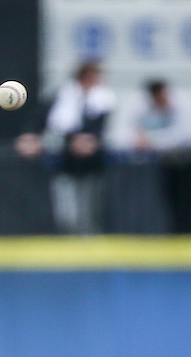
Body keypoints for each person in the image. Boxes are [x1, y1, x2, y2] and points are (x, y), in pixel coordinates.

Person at [14, 60, 116, 234]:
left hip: (92, 162)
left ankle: (89, 238)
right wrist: (30, 136)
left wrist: (89, 140)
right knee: (67, 210)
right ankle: (70, 237)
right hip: (65, 160)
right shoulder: (63, 96)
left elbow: (99, 129)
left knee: (90, 206)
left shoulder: (102, 99)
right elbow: (40, 119)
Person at [133, 79, 191, 233]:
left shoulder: (180, 103)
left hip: (188, 159)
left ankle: (187, 231)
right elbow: (135, 128)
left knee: (188, 201)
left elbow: (183, 136)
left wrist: (151, 140)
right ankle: (175, 231)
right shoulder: (148, 106)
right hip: (167, 162)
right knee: (169, 200)